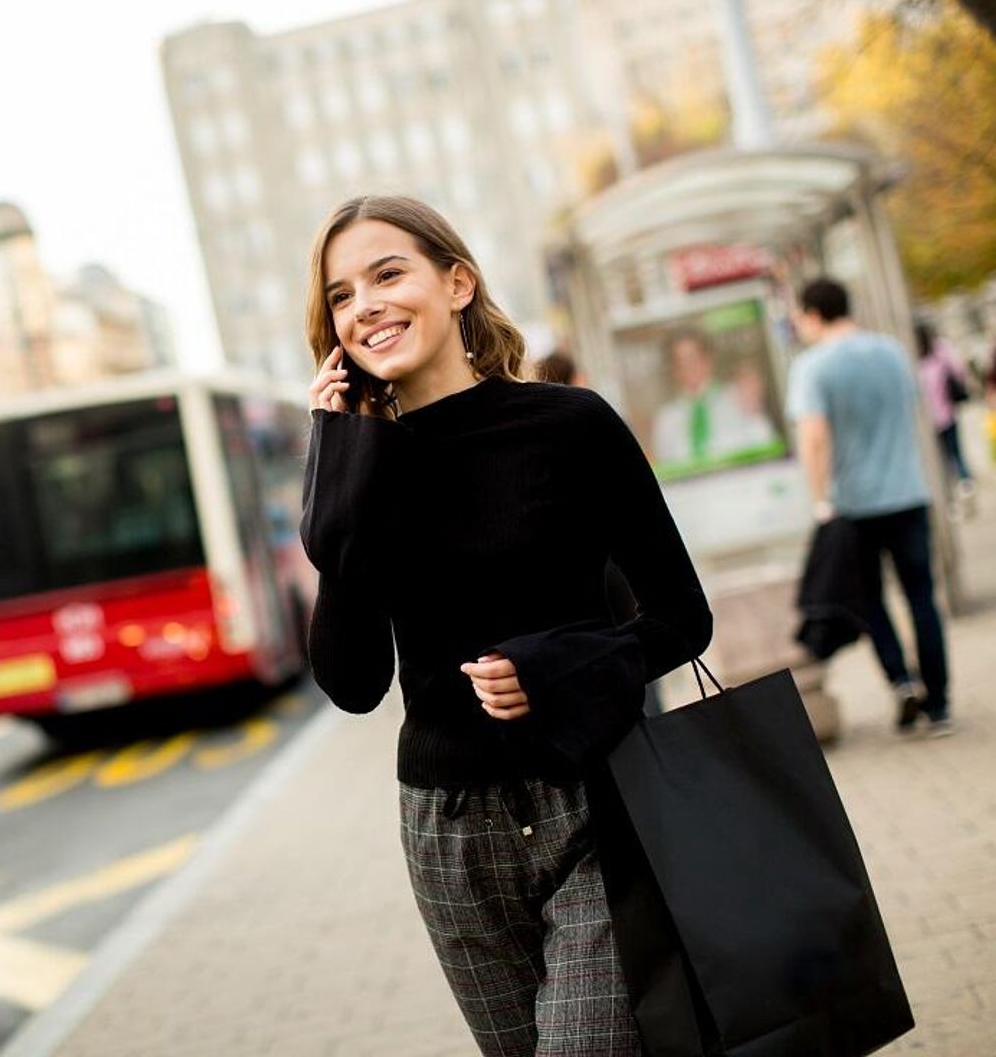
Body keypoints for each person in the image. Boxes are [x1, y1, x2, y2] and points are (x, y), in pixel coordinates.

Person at [300, 195, 712, 1055]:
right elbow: (351, 681)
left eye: (387, 273)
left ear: (457, 282)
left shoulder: (571, 426)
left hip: (594, 800)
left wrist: (558, 668)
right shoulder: (361, 471)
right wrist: (340, 463)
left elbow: (682, 617)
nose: (365, 304)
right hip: (447, 834)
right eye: (341, 295)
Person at [787, 279, 953, 735]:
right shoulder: (892, 352)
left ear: (813, 314)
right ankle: (939, 705)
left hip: (854, 506)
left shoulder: (812, 367)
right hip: (908, 493)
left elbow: (814, 436)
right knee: (922, 598)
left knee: (873, 602)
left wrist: (820, 499)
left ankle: (901, 682)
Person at [650, 328, 781, 470]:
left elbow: (768, 449)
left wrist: (755, 411)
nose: (690, 367)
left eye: (694, 357)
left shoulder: (739, 397)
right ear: (674, 370)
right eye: (681, 361)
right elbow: (664, 471)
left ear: (709, 359)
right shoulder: (666, 418)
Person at [914, 320, 976, 510]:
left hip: (926, 421)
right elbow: (958, 371)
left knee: (940, 461)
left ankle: (951, 499)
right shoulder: (940, 349)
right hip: (946, 413)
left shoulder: (914, 356)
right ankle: (966, 487)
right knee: (957, 453)